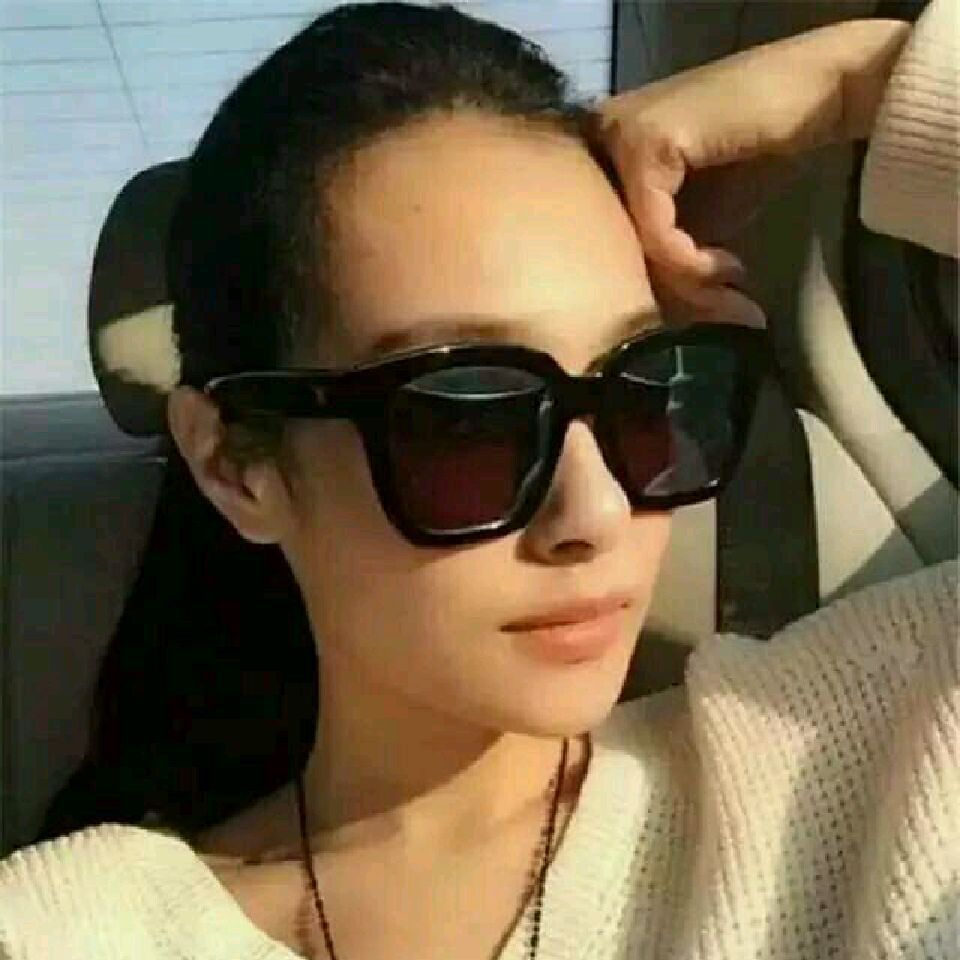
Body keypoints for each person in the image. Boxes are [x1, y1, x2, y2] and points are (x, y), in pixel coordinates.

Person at [1, 2, 956, 959]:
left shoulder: (858, 748)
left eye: (646, 392)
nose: (597, 511)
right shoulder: (69, 930)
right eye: (468, 418)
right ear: (235, 465)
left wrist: (860, 81)